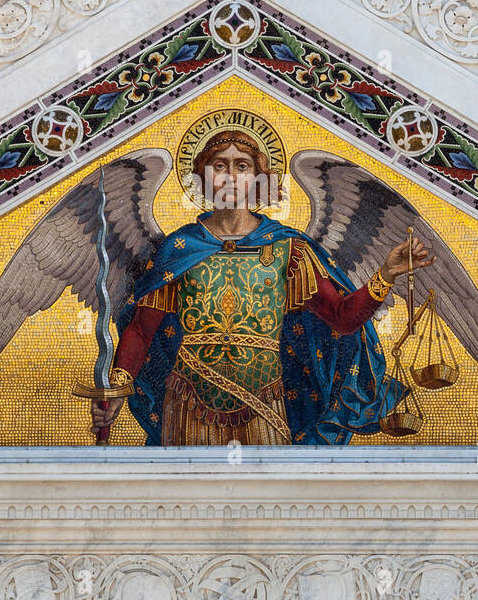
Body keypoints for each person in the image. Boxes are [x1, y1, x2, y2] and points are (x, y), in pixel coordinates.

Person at [91, 126, 434, 446]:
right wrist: (117, 389)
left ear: (258, 179)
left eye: (241, 166)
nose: (229, 176)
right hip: (187, 403)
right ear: (202, 178)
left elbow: (341, 319)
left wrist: (386, 273)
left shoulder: (288, 248)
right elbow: (141, 331)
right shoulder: (178, 249)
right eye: (219, 166)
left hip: (265, 404)